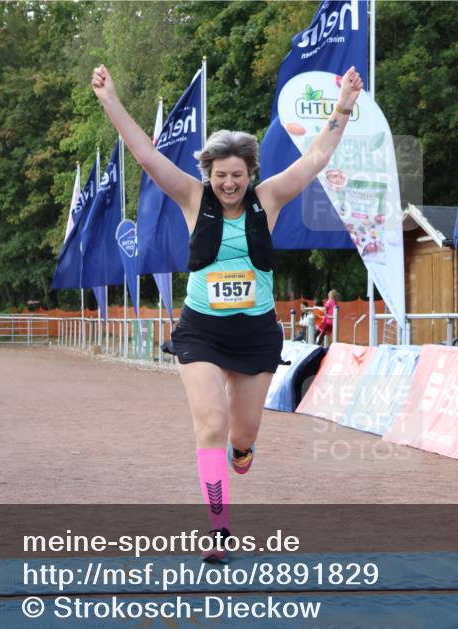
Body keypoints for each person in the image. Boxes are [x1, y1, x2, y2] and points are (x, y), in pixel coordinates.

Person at [91, 63, 363, 562]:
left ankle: (242, 451)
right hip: (201, 332)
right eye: (221, 176)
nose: (229, 184)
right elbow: (147, 156)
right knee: (210, 425)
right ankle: (219, 531)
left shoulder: (271, 197)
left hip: (255, 336)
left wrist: (343, 104)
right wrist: (111, 101)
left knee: (241, 436)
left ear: (251, 174)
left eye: (237, 176)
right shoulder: (193, 197)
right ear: (208, 175)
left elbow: (319, 154)